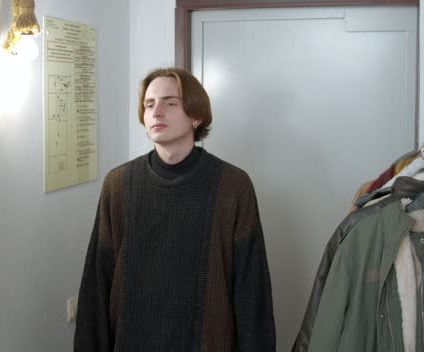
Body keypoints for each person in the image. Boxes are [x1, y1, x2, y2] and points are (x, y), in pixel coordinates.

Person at [74, 67, 276, 351]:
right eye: (149, 104)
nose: (157, 112)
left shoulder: (232, 185)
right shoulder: (119, 184)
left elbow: (251, 289)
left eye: (170, 103)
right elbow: (97, 281)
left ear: (196, 115)